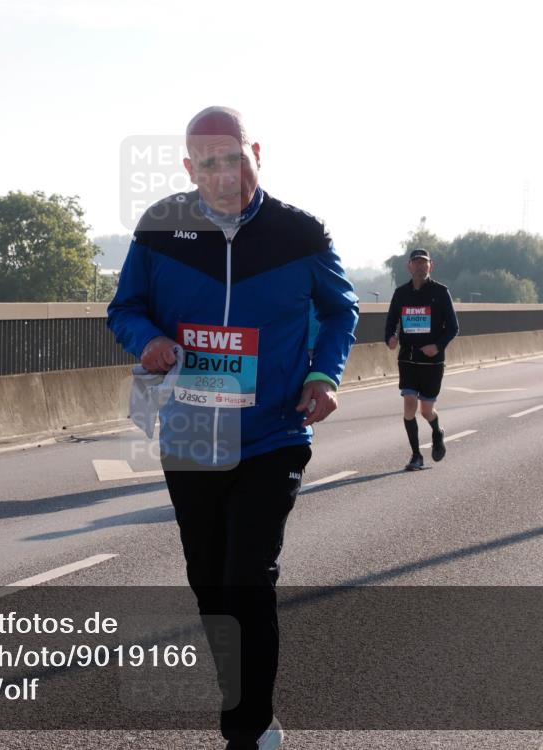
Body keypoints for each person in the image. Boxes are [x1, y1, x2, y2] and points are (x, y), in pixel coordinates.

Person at [107, 106, 359, 750]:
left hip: (273, 432)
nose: (223, 174)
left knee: (250, 575)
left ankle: (248, 731)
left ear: (256, 153)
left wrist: (325, 376)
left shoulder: (297, 234)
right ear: (190, 169)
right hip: (191, 434)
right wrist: (149, 339)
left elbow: (341, 310)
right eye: (208, 163)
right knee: (211, 584)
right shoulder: (162, 229)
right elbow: (124, 307)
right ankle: (242, 703)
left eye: (233, 158)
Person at [384, 248, 459, 471]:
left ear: (430, 266)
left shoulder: (440, 292)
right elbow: (390, 324)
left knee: (426, 410)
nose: (420, 267)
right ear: (409, 266)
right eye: (416, 263)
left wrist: (436, 346)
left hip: (432, 362)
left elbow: (453, 328)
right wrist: (390, 338)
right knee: (409, 404)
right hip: (408, 359)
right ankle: (416, 455)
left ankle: (437, 431)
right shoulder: (401, 294)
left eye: (423, 263)